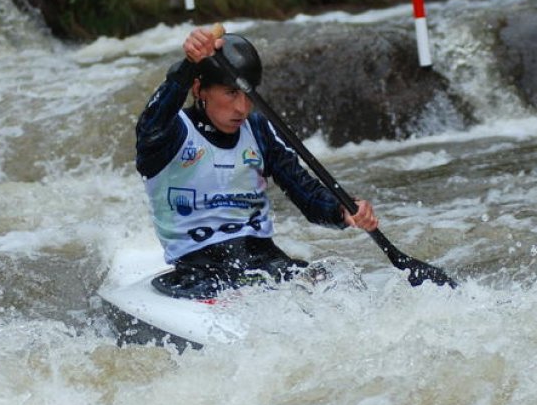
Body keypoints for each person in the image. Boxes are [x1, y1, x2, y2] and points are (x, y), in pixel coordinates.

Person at [135, 26, 379, 299]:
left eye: (247, 94)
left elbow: (306, 193)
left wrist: (342, 210)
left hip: (263, 260)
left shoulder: (259, 129)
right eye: (230, 93)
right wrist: (187, 66)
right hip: (200, 270)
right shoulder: (170, 133)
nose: (242, 107)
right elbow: (151, 123)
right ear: (199, 88)